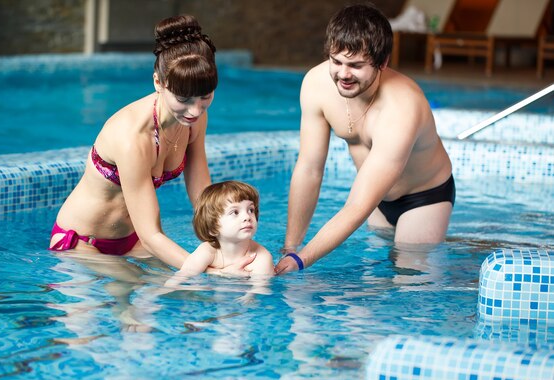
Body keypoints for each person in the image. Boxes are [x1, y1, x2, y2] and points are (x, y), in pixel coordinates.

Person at [49, 15, 252, 274]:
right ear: (158, 82)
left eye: (205, 96)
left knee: (185, 297)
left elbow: (203, 197)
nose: (194, 110)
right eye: (183, 98)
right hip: (83, 243)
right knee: (134, 303)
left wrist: (228, 245)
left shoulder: (195, 119)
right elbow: (152, 234)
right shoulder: (132, 137)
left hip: (132, 241)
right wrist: (216, 271)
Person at [275, 4, 454, 274]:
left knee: (410, 279)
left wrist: (302, 260)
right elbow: (310, 168)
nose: (344, 74)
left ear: (382, 63)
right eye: (336, 62)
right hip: (378, 201)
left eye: (356, 66)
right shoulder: (316, 85)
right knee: (374, 281)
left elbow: (358, 204)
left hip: (424, 197)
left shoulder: (402, 107)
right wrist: (291, 247)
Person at [177, 180, 274, 277]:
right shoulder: (208, 251)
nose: (247, 217)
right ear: (213, 227)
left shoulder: (262, 258)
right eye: (235, 212)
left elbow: (259, 291)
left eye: (250, 210)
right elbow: (179, 278)